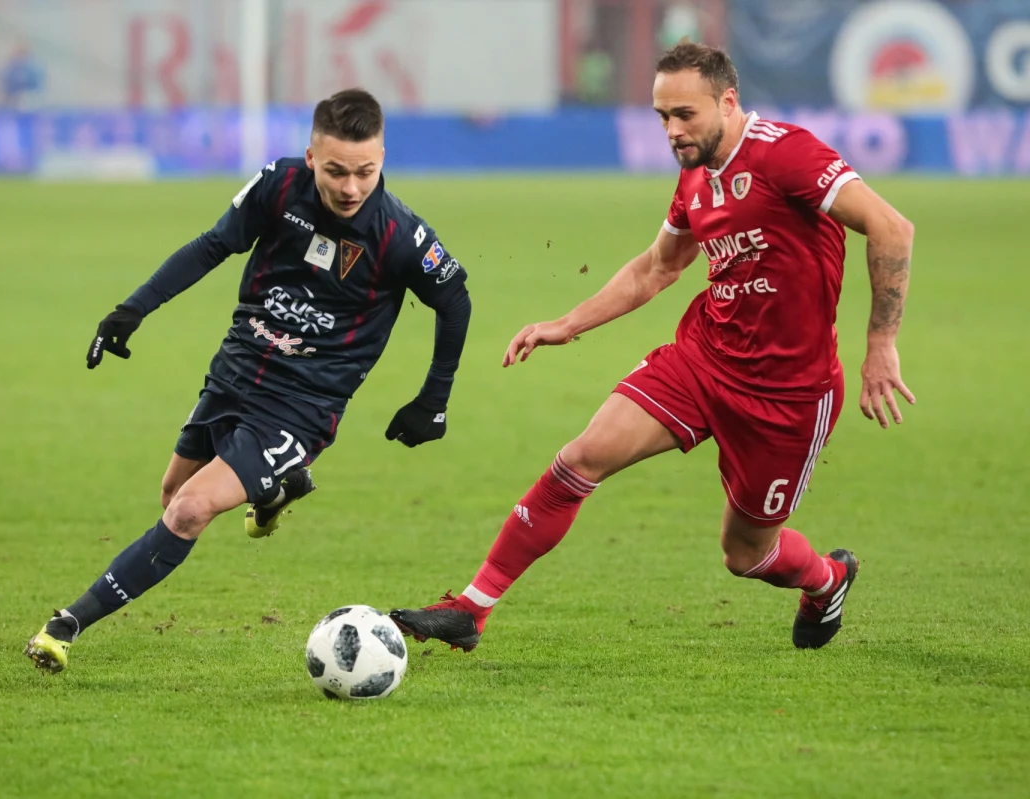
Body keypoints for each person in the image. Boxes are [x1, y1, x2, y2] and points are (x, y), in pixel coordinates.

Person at [390, 41, 915, 652]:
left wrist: (881, 344)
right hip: (704, 359)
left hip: (788, 395)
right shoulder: (695, 174)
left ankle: (826, 580)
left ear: (728, 101)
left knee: (746, 554)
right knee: (580, 458)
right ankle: (471, 609)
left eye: (685, 114)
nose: (672, 130)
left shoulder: (787, 154)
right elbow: (658, 267)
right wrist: (568, 323)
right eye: (663, 116)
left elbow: (891, 226)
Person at [26, 88, 472, 673]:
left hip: (302, 404)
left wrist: (434, 399)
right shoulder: (279, 187)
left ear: (382, 157)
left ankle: (66, 625)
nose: (350, 187)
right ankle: (275, 490)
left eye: (365, 171)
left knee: (189, 511)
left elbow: (455, 301)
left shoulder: (400, 234)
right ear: (311, 157)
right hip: (236, 368)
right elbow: (213, 246)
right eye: (336, 171)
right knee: (172, 496)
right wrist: (132, 310)